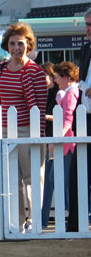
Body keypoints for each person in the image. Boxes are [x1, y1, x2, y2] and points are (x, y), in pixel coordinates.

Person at [0, 22, 47, 233]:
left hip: (28, 131)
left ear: (28, 45)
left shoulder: (36, 71)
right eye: (12, 43)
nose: (16, 48)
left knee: (32, 180)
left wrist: (38, 137)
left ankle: (34, 220)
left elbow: (40, 107)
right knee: (11, 181)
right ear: (7, 45)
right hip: (5, 132)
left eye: (20, 43)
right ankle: (17, 222)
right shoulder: (0, 69)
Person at [67, 7, 91, 232]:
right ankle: (75, 224)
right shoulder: (85, 49)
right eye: (87, 24)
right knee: (77, 172)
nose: (88, 29)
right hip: (85, 119)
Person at [51, 62, 80, 223]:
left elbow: (68, 119)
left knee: (67, 182)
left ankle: (74, 216)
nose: (55, 80)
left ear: (67, 77)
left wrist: (57, 138)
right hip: (68, 143)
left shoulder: (70, 94)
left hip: (68, 144)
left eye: (57, 77)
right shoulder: (71, 92)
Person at [40, 62, 59, 228]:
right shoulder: (42, 93)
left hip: (55, 139)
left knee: (52, 180)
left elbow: (61, 116)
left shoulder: (58, 93)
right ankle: (43, 220)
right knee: (46, 181)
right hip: (45, 138)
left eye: (44, 75)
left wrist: (45, 117)